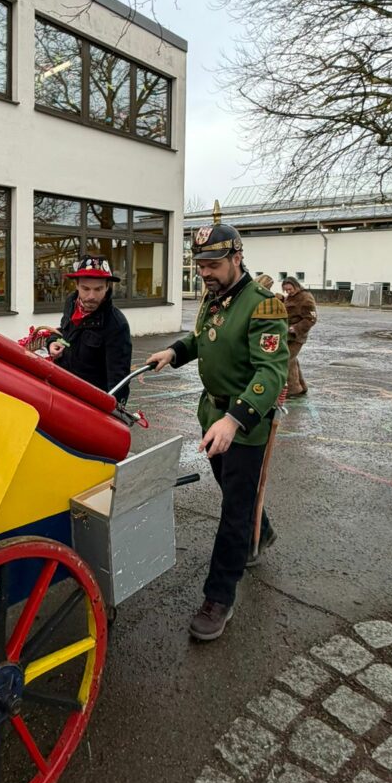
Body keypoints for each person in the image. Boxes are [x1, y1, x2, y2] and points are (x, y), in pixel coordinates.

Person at [147, 212, 289, 641]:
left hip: (244, 424)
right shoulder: (214, 298)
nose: (204, 273)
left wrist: (235, 419)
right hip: (212, 417)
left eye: (212, 265)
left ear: (236, 258)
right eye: (200, 266)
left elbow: (271, 371)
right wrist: (174, 352)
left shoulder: (263, 304)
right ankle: (261, 532)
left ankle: (219, 597)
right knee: (234, 493)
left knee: (232, 513)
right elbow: (203, 339)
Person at [49, 255, 134, 402]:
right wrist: (52, 341)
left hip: (89, 403)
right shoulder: (71, 303)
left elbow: (119, 381)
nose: (91, 296)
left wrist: (113, 411)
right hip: (62, 392)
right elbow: (64, 332)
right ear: (76, 285)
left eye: (98, 289)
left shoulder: (117, 325)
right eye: (85, 289)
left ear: (107, 287)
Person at [281, 276, 317, 398]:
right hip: (287, 334)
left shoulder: (305, 297)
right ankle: (301, 386)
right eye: (286, 290)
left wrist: (296, 328)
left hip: (297, 335)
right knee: (292, 359)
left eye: (290, 289)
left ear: (296, 286)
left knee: (287, 359)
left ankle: (293, 389)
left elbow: (311, 318)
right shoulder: (290, 297)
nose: (288, 292)